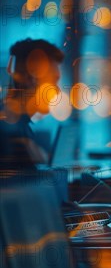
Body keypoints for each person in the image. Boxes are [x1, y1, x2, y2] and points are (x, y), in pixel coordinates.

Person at [0, 39, 65, 171]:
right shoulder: (10, 133)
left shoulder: (18, 125)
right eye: (53, 80)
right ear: (30, 79)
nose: (57, 90)